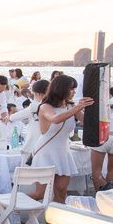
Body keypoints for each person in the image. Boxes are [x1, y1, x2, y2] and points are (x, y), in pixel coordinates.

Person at [29, 75, 93, 204]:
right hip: (46, 152)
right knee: (40, 193)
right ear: (62, 89)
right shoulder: (45, 106)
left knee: (61, 191)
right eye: (72, 89)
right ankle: (12, 206)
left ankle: (54, 220)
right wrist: (76, 108)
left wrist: (92, 106)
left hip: (63, 152)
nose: (74, 92)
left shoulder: (70, 106)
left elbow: (86, 122)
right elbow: (55, 118)